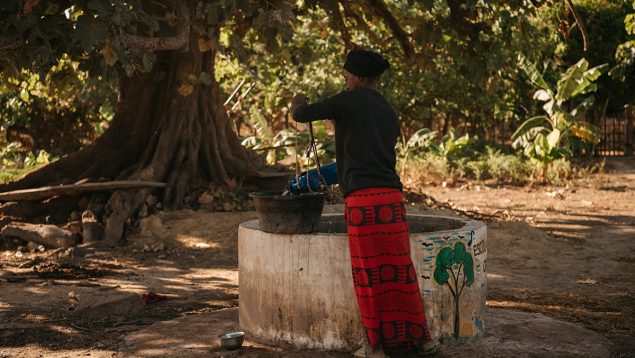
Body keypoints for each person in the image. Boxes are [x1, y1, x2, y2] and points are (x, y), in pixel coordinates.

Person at [290, 49, 439, 357]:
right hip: (392, 200)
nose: (345, 80)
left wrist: (298, 100)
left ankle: (375, 346)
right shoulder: (387, 109)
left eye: (347, 76)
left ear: (357, 77)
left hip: (362, 200)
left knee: (368, 275)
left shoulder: (347, 100)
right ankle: (423, 340)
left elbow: (301, 116)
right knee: (401, 272)